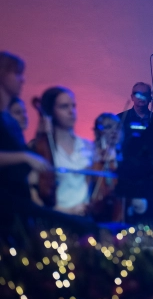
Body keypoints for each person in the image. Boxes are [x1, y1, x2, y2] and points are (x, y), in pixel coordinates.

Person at [0, 52, 93, 237]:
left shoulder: (9, 122)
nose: (22, 79)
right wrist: (25, 157)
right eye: (17, 74)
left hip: (17, 203)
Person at [39, 87, 95, 215]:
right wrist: (66, 211)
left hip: (84, 218)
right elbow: (34, 195)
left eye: (73, 106)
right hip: (55, 217)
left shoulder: (88, 146)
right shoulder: (43, 147)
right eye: (64, 107)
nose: (71, 111)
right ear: (51, 111)